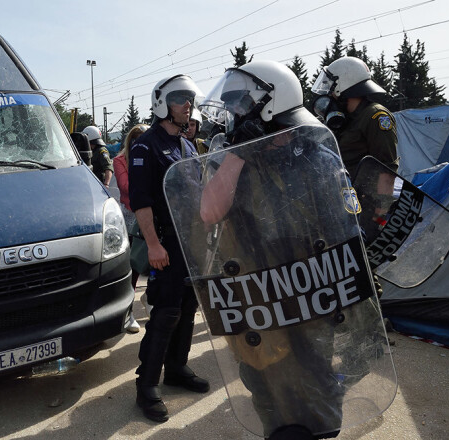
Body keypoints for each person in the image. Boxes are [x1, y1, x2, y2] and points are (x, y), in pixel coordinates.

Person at [198, 60, 359, 440]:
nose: (232, 114)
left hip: (309, 293)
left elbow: (345, 231)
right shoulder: (231, 155)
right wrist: (239, 153)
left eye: (239, 104)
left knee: (316, 384)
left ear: (268, 105)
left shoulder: (316, 154)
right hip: (257, 294)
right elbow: (209, 212)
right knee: (264, 384)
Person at [129, 73, 209, 423]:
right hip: (166, 242)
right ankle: (147, 386)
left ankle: (177, 367)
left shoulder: (186, 144)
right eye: (180, 99)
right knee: (165, 312)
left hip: (191, 241)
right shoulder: (147, 145)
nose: (187, 105)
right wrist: (153, 245)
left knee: (188, 306)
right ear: (163, 103)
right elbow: (141, 201)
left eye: (189, 99)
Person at [310, 56, 398, 178]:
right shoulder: (342, 118)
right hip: (342, 193)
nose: (329, 93)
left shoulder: (375, 116)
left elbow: (387, 170)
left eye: (330, 87)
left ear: (342, 84)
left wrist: (378, 197)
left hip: (364, 195)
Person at [113, 123, 150, 331]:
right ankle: (128, 313)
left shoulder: (152, 157)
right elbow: (125, 187)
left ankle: (149, 299)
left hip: (151, 215)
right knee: (133, 265)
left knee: (156, 262)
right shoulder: (119, 160)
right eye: (136, 141)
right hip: (130, 217)